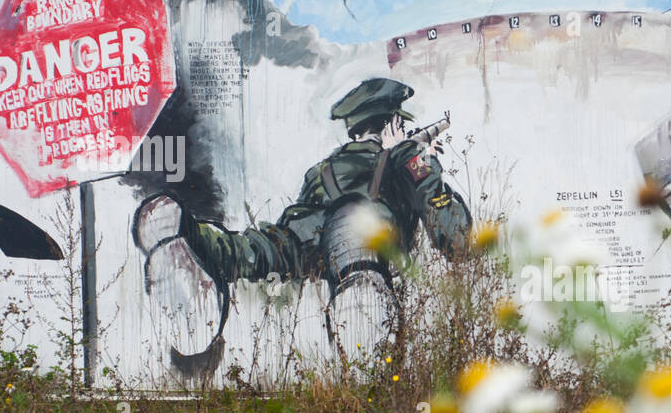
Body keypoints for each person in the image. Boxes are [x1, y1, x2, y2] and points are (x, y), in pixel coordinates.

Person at [133, 77, 471, 359]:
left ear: (354, 130)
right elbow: (455, 239)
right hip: (356, 238)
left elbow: (301, 224)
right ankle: (360, 305)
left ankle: (188, 235)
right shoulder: (406, 160)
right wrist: (414, 160)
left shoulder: (322, 170)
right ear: (394, 124)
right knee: (355, 230)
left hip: (303, 234)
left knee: (259, 248)